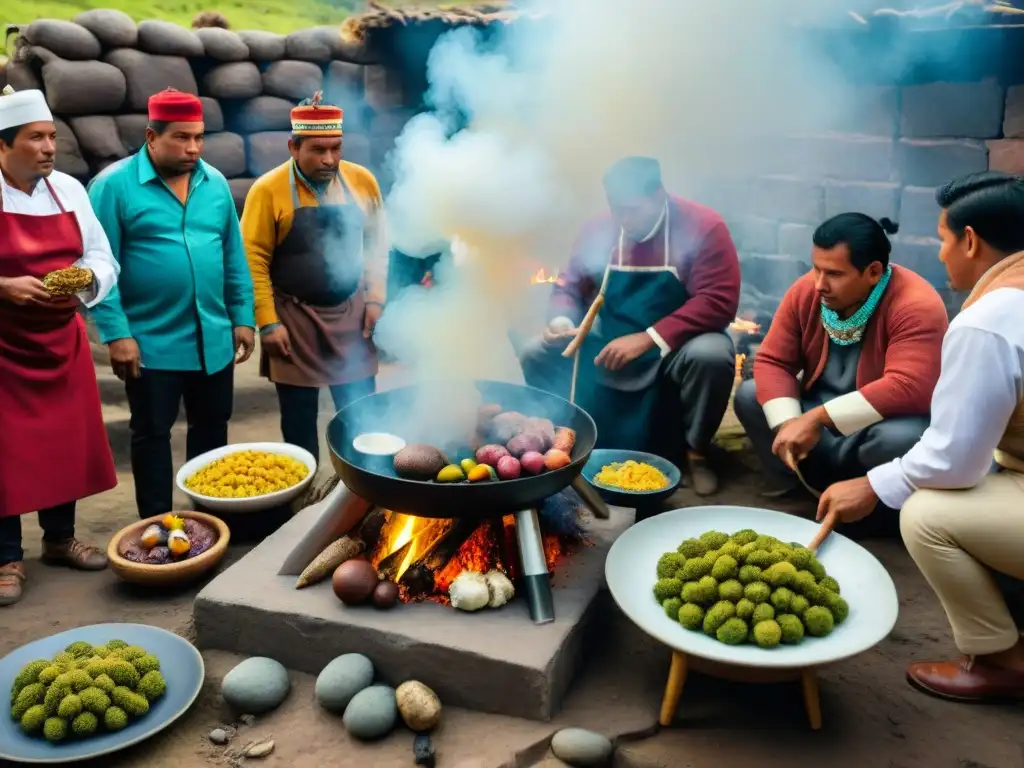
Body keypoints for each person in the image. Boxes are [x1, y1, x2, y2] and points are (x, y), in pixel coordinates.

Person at [815, 172, 1024, 701]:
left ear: (970, 240)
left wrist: (873, 485)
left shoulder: (990, 319)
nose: (941, 252)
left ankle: (1002, 661)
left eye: (943, 239)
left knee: (927, 512)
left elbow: (955, 457)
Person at [520, 156, 740, 495]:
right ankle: (563, 442)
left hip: (675, 348)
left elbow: (717, 301)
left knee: (712, 354)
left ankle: (695, 451)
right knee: (535, 351)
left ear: (659, 196)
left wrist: (649, 338)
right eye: (616, 208)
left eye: (632, 210)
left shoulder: (703, 226)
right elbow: (569, 285)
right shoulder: (599, 229)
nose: (624, 220)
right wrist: (563, 319)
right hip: (608, 343)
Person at [88, 88, 256, 519]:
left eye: (199, 137)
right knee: (151, 434)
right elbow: (97, 264)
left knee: (212, 430)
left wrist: (242, 316)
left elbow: (232, 256)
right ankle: (158, 524)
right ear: (151, 136)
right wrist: (118, 333)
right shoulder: (113, 187)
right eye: (181, 138)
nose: (193, 148)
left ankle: (208, 521)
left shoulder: (214, 182)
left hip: (212, 336)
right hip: (150, 342)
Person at [733, 213, 948, 530]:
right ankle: (794, 487)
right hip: (816, 422)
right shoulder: (808, 290)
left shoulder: (916, 303)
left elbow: (909, 386)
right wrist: (791, 423)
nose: (819, 284)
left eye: (833, 273)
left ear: (873, 272)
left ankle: (869, 513)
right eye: (816, 268)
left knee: (904, 437)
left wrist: (815, 419)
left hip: (875, 427)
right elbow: (773, 361)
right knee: (751, 396)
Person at [0, 86, 119, 606]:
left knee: (63, 443)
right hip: (4, 346)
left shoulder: (69, 190)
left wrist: (81, 278)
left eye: (52, 136)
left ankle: (59, 539)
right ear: (3, 146)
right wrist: (2, 287)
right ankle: (5, 556)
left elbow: (102, 256)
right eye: (36, 138)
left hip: (59, 339)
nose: (50, 147)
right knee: (5, 452)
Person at [241, 92, 388, 465]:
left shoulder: (362, 182)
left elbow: (377, 244)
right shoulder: (267, 190)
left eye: (336, 149)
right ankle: (304, 506)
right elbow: (253, 260)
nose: (329, 160)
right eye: (318, 150)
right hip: (292, 322)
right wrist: (268, 322)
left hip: (351, 317)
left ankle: (363, 500)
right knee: (299, 425)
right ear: (293, 146)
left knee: (361, 418)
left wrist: (375, 299)